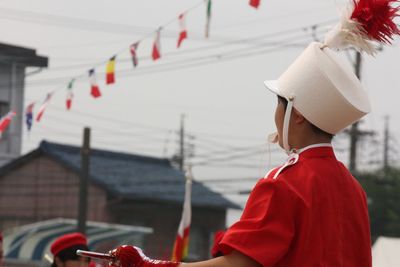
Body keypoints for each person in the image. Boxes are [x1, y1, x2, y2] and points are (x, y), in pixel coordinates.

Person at [88, 0, 399, 266]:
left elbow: (239, 263)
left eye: (279, 105)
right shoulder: (353, 189)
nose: (275, 117)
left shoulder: (287, 182)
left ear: (298, 115)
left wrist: (151, 265)